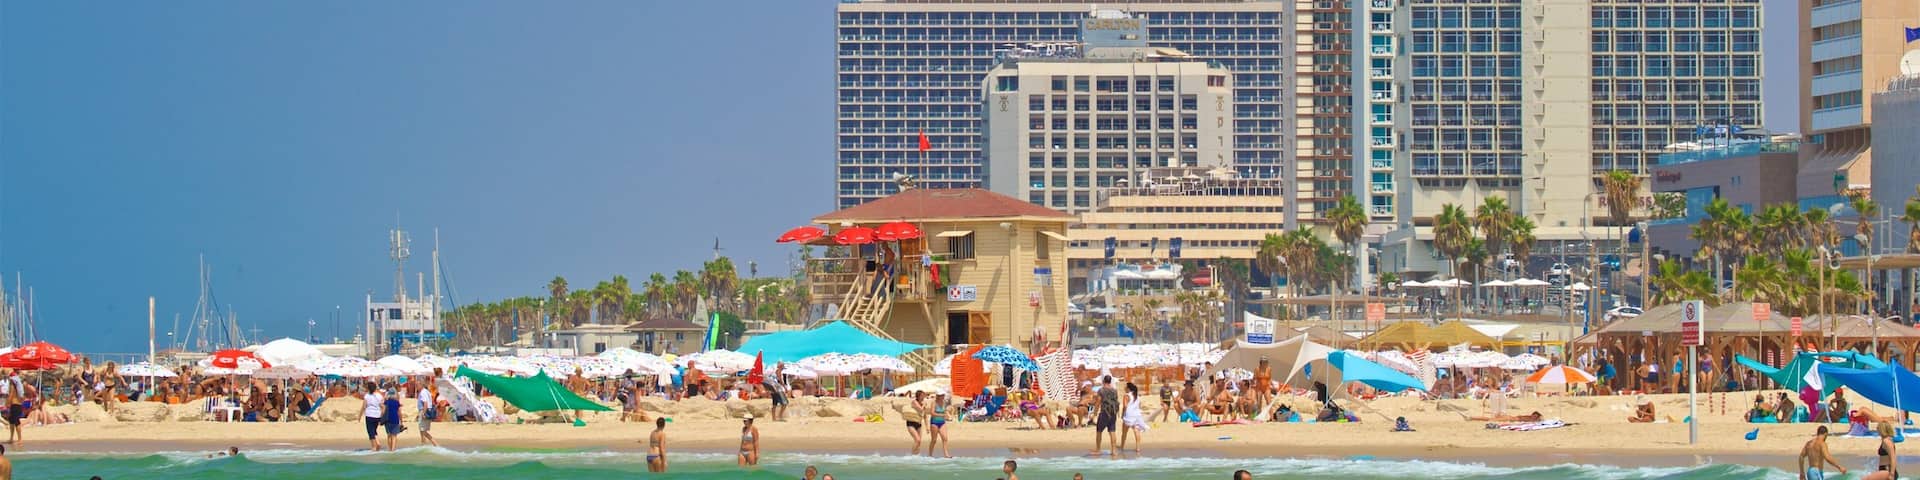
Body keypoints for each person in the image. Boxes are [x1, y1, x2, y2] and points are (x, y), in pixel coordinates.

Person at [1092, 375, 1120, 456]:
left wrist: (1095, 413)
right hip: (1113, 413)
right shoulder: (1114, 390)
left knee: (1099, 431)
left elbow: (1098, 402)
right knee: (1112, 431)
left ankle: (1098, 450)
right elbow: (1116, 400)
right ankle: (1114, 450)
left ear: (1104, 381)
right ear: (1110, 381)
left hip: (1104, 413)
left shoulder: (1101, 390)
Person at [1119, 382, 1147, 453]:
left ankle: (1122, 446)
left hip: (1129, 415)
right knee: (1136, 430)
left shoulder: (1126, 395)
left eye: (1125, 387)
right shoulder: (1137, 396)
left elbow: (1125, 406)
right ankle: (1138, 447)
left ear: (1128, 388)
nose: (1124, 388)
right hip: (1137, 415)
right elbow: (1139, 406)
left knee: (1124, 432)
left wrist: (1122, 414)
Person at [361, 382, 386, 451]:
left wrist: (360, 415)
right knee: (374, 430)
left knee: (370, 431)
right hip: (377, 415)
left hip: (369, 415)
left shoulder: (367, 396)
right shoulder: (379, 396)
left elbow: (364, 406)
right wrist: (381, 415)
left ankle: (374, 447)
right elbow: (383, 407)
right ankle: (377, 442)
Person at [927, 392, 952, 458]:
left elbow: (945, 411)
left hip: (942, 422)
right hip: (934, 422)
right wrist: (942, 415)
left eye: (943, 395)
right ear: (938, 396)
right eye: (942, 395)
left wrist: (948, 415)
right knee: (934, 440)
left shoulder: (944, 403)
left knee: (945, 438)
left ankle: (946, 455)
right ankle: (930, 455)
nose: (943, 396)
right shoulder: (934, 403)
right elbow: (932, 413)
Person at [381, 386, 405, 451]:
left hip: (387, 420)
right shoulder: (397, 403)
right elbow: (399, 413)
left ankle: (389, 449)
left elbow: (383, 411)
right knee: (394, 436)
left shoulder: (386, 402)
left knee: (389, 435)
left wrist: (381, 418)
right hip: (395, 420)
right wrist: (401, 421)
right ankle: (393, 450)